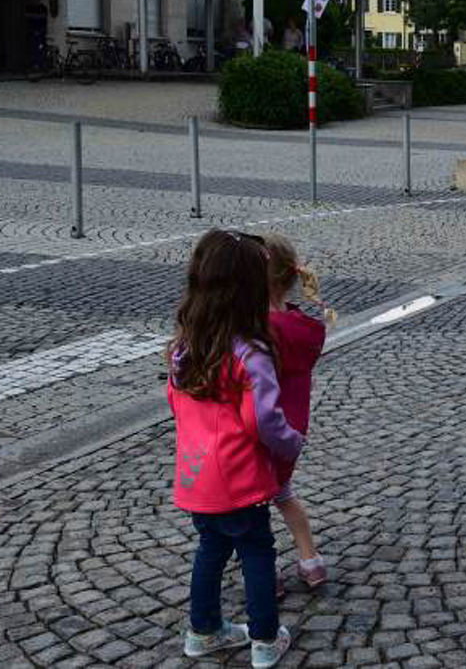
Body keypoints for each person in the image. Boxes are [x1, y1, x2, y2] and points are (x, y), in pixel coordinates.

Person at [166, 230, 300, 667]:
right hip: (238, 478)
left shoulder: (185, 349)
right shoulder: (250, 353)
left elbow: (176, 404)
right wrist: (291, 442)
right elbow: (261, 420)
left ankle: (202, 630)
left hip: (196, 475)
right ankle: (264, 639)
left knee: (210, 550)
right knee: (257, 552)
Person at [264, 235, 333, 588]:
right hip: (291, 432)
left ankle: (262, 572)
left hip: (260, 434)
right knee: (284, 494)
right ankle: (311, 560)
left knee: (252, 507)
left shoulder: (257, 332)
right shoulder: (301, 328)